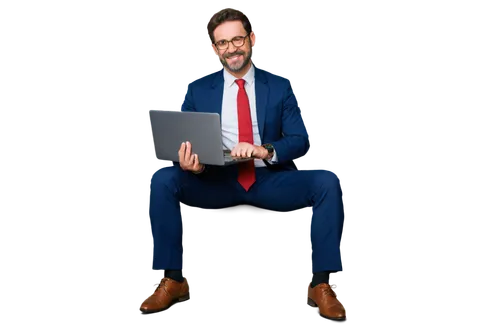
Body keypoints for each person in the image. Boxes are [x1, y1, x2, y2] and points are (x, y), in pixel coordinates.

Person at [138, 7, 346, 319]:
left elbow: (300, 140)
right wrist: (193, 165)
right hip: (216, 180)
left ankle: (321, 284)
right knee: (163, 179)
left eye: (238, 39)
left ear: (252, 39)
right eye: (222, 43)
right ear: (214, 49)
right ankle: (173, 279)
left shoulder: (279, 85)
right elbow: (188, 140)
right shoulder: (197, 89)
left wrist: (264, 150)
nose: (231, 48)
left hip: (269, 179)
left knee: (327, 180)